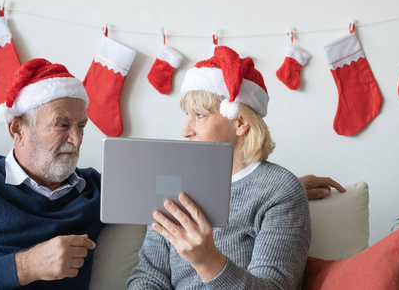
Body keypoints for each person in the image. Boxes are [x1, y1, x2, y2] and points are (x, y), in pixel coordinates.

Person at [127, 45, 313, 289]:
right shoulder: (173, 183)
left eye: (200, 115)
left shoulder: (280, 191)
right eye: (187, 115)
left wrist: (208, 261)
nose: (186, 131)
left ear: (240, 122)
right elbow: (148, 276)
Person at [0, 59, 104, 289]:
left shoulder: (96, 189)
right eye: (62, 125)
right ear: (17, 129)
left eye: (81, 126)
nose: (77, 139)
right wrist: (27, 266)